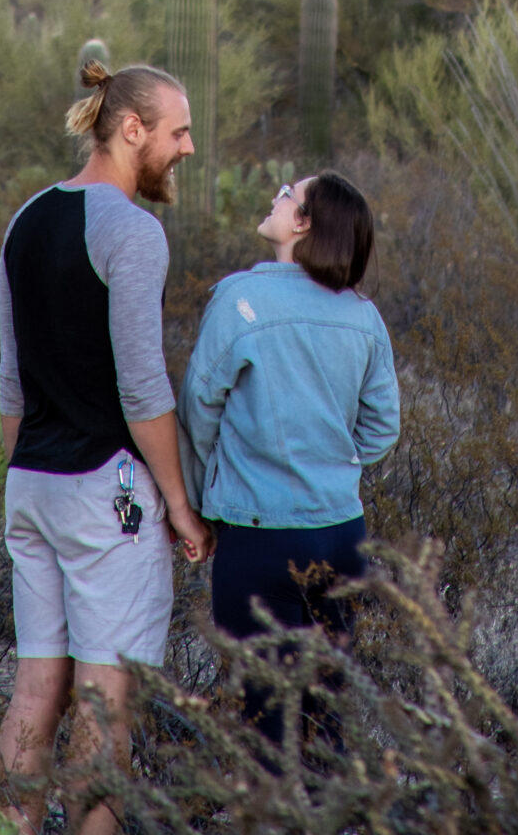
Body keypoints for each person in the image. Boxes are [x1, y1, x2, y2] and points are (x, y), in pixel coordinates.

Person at [0, 61, 214, 835]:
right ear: (132, 129)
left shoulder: (26, 220)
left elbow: (10, 384)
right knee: (104, 699)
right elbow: (144, 388)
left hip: (33, 485)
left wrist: (17, 482)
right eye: (178, 132)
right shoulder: (131, 231)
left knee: (34, 690)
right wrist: (181, 505)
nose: (187, 148)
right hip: (105, 496)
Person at [181, 172, 400, 683]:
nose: (275, 197)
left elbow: (197, 411)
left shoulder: (240, 300)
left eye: (286, 193)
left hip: (259, 538)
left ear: (303, 223)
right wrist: (323, 462)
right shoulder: (365, 317)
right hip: (343, 535)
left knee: (262, 724)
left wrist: (202, 503)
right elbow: (382, 429)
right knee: (327, 722)